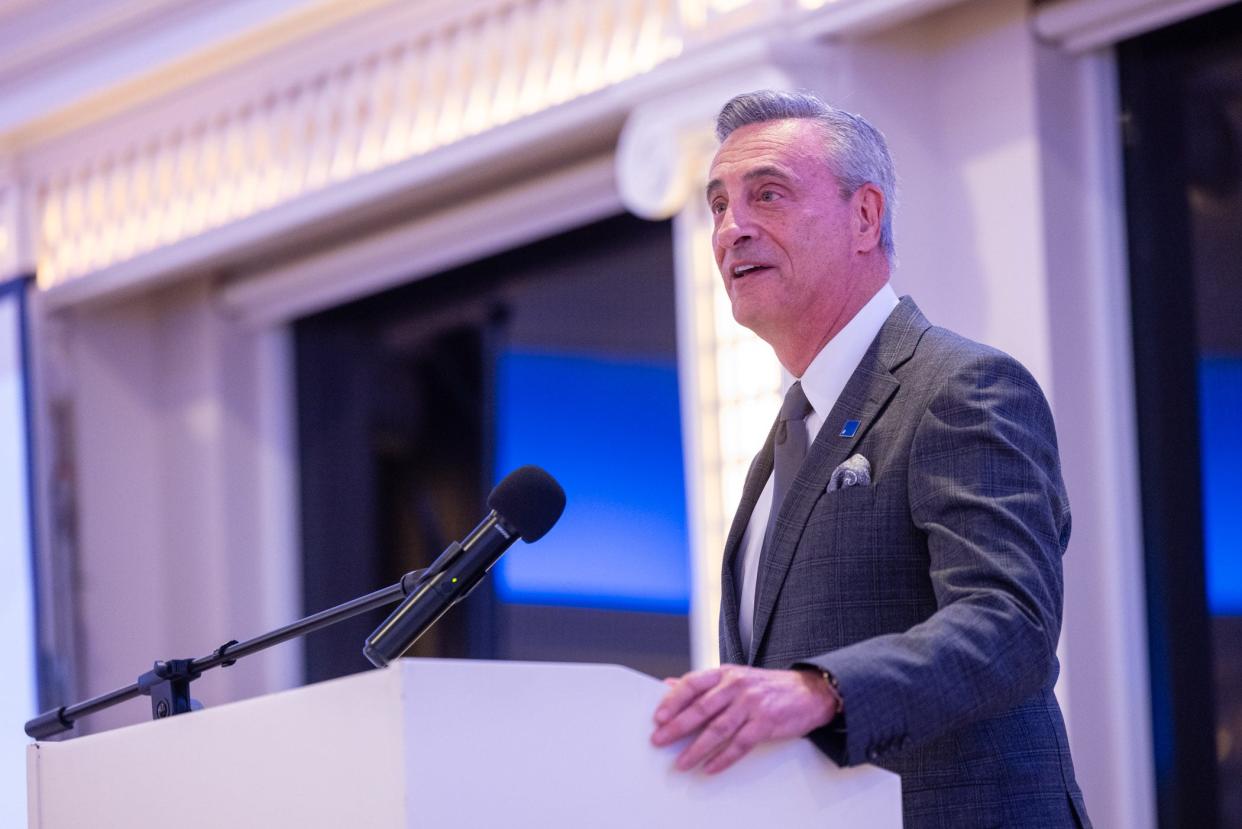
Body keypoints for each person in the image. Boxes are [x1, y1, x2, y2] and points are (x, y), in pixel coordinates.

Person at [650, 90, 1091, 828]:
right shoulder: (784, 442)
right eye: (719, 205)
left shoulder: (957, 385)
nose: (732, 229)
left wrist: (821, 690)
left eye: (768, 195)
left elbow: (1008, 619)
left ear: (865, 216)